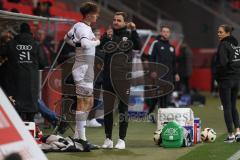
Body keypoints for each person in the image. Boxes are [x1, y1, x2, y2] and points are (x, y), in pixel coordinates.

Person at [100, 12, 141, 149]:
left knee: (123, 109)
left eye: (119, 20)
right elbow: (100, 48)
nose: (115, 22)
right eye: (114, 19)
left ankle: (122, 140)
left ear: (125, 23)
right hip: (108, 77)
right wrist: (106, 37)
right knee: (107, 110)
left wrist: (134, 30)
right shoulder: (108, 35)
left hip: (123, 78)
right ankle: (108, 138)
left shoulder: (129, 36)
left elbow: (138, 46)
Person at [64, 2, 100, 143]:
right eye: (96, 14)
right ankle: (82, 138)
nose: (97, 16)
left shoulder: (78, 25)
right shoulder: (84, 29)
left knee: (88, 102)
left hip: (84, 68)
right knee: (83, 102)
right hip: (83, 69)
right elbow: (85, 44)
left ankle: (78, 135)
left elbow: (66, 38)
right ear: (90, 15)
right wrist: (96, 42)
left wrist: (77, 44)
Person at [0, 23, 47, 121]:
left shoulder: (12, 43)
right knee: (31, 106)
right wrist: (32, 65)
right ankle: (31, 129)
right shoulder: (35, 45)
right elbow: (43, 63)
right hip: (31, 80)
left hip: (15, 80)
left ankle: (19, 129)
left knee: (17, 106)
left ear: (19, 32)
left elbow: (2, 52)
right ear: (30, 32)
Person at [215, 24, 240, 143]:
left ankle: (230, 135)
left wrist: (217, 77)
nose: (218, 34)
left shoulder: (223, 45)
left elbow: (222, 64)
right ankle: (238, 132)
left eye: (220, 32)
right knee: (233, 106)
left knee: (227, 107)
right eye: (218, 32)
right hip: (236, 79)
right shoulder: (236, 44)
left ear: (227, 33)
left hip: (226, 80)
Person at [149, 25, 180, 110]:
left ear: (169, 34)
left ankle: (163, 115)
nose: (166, 33)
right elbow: (151, 58)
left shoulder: (172, 47)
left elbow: (174, 62)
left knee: (167, 96)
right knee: (158, 96)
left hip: (169, 76)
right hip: (159, 75)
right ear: (161, 32)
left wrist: (176, 73)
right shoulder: (156, 44)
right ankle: (152, 112)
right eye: (164, 31)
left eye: (167, 32)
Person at [86, 29, 103, 127]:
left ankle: (91, 118)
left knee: (95, 99)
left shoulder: (100, 47)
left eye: (99, 34)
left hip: (99, 77)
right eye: (96, 34)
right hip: (89, 76)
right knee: (88, 99)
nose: (98, 36)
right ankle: (86, 118)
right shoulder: (89, 46)